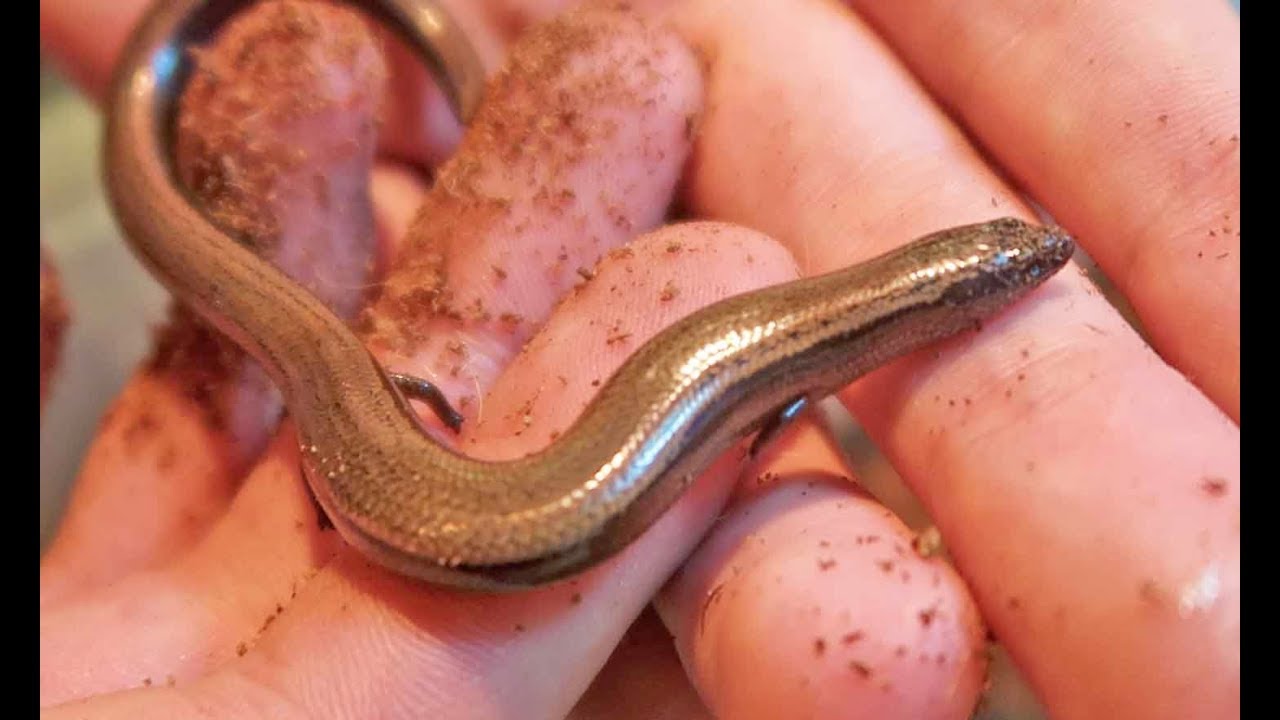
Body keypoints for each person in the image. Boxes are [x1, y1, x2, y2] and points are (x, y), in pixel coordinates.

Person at [38, 1, 1240, 718]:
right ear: (945, 293)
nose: (1024, 271)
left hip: (446, 486)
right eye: (1005, 268)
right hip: (402, 493)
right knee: (313, 348)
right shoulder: (830, 338)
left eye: (1013, 267)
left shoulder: (826, 335)